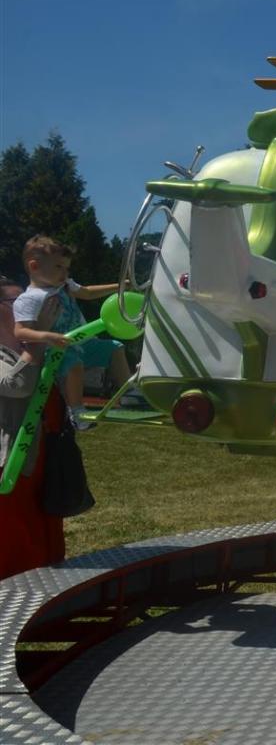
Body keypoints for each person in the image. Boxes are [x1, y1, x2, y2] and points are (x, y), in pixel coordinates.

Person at [12, 236, 129, 430]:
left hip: (82, 342)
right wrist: (46, 336)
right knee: (74, 365)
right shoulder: (29, 299)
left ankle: (128, 395)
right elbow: (20, 331)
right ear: (34, 266)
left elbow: (88, 292)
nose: (65, 273)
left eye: (67, 268)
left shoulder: (65, 285)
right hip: (56, 350)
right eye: (59, 267)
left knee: (115, 348)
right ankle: (77, 412)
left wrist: (120, 287)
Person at [1, 275, 67, 579]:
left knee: (41, 527)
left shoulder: (33, 350)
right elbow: (18, 384)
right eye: (18, 302)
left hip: (39, 458)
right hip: (8, 463)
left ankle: (46, 590)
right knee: (13, 535)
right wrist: (37, 338)